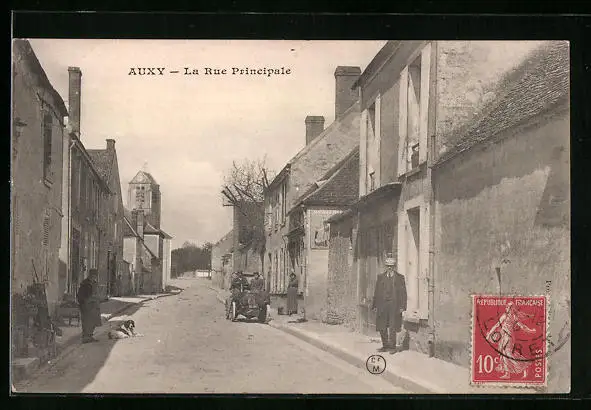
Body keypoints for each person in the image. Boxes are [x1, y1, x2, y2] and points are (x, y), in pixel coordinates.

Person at [371, 254, 407, 353]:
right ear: (385, 266)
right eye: (388, 266)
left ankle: (392, 347)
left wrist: (402, 306)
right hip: (382, 305)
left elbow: (403, 293)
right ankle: (385, 345)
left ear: (394, 266)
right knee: (382, 326)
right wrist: (375, 305)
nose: (389, 268)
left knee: (392, 326)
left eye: (391, 266)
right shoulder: (380, 277)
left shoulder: (400, 278)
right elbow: (377, 291)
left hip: (394, 305)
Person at [77, 269, 102, 343]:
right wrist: (84, 303)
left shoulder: (94, 283)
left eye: (96, 276)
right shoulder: (85, 284)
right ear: (91, 275)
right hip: (87, 306)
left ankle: (89, 336)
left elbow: (96, 293)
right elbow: (81, 296)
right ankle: (86, 337)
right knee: (87, 322)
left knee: (93, 322)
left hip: (94, 306)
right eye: (94, 275)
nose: (95, 277)